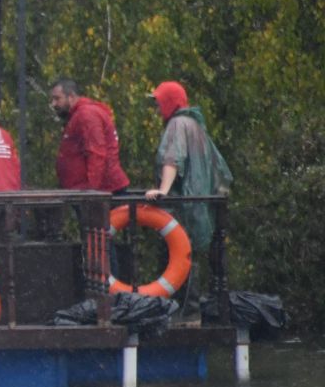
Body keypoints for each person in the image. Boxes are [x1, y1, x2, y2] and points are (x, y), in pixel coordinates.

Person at [147, 81, 233, 268]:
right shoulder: (195, 124)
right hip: (196, 206)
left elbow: (173, 159)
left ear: (169, 102)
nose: (157, 110)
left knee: (177, 258)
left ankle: (183, 298)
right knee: (188, 256)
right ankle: (190, 297)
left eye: (159, 103)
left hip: (182, 208)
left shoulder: (177, 124)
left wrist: (163, 190)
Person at [51, 78, 130, 194]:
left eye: (57, 98)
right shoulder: (79, 115)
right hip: (91, 190)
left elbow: (96, 153)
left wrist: (92, 192)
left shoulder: (86, 115)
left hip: (103, 191)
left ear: (71, 97)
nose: (53, 104)